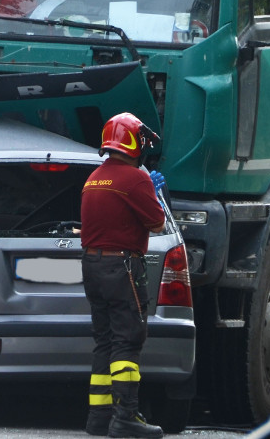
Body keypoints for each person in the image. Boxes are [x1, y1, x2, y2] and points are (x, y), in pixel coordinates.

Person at [80, 113, 166, 438]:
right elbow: (157, 224)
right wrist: (155, 196)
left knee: (104, 341)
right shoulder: (135, 179)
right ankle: (126, 417)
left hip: (92, 266)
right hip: (122, 267)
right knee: (127, 341)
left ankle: (99, 418)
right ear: (136, 143)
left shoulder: (93, 178)